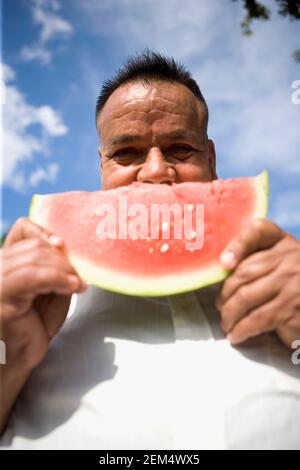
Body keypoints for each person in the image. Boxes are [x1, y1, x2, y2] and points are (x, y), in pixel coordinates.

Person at [1, 51, 300, 450]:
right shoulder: (30, 301)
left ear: (211, 160)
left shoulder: (287, 281)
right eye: (126, 154)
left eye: (180, 149)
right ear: (103, 167)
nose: (156, 171)